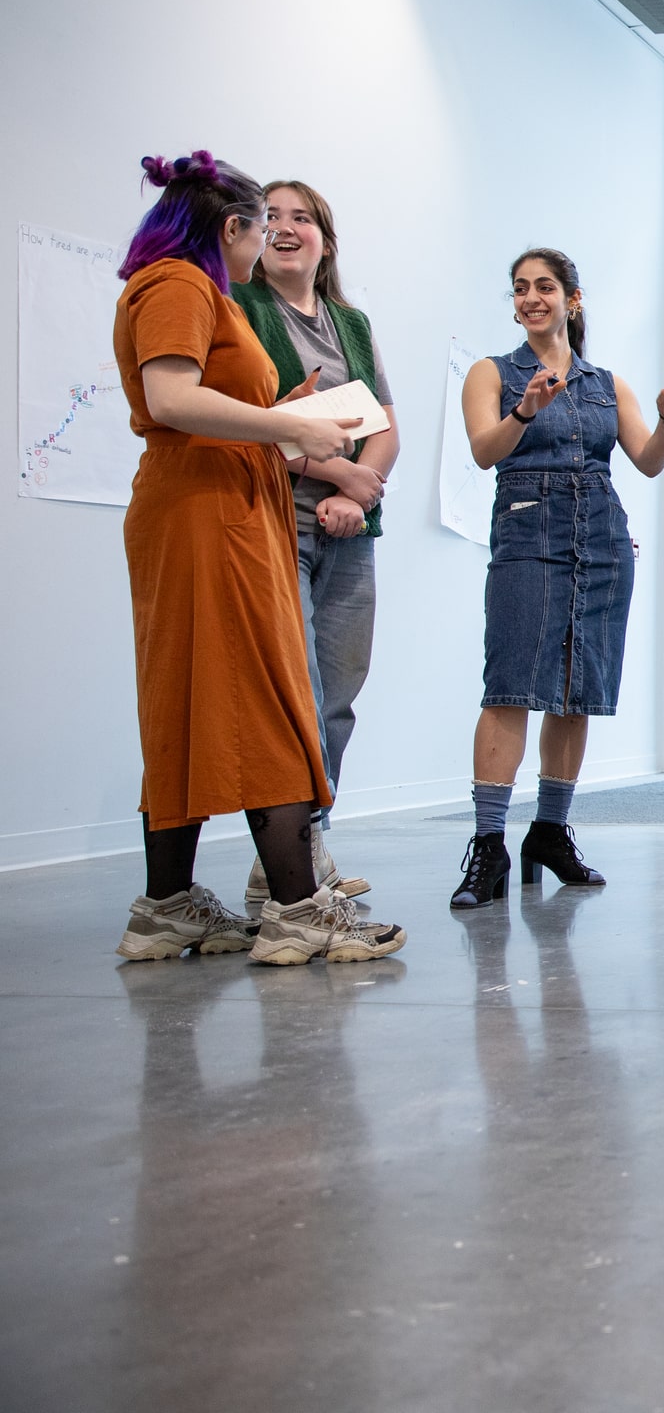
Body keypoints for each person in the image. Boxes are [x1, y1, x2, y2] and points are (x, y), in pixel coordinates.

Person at [109, 151, 405, 966]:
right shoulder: (181, 285)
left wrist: (281, 414)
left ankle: (166, 906)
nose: (265, 243)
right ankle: (299, 910)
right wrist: (290, 429)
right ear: (230, 229)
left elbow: (205, 401)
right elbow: (171, 397)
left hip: (212, 504)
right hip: (209, 515)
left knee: (189, 704)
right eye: (258, 229)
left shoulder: (187, 288)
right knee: (273, 699)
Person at [449, 248, 664, 908]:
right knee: (509, 687)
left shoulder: (605, 382)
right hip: (528, 535)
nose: (531, 298)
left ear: (572, 298)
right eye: (520, 289)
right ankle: (487, 846)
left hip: (603, 542)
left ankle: (551, 832)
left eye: (544, 287)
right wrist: (524, 410)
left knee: (575, 691)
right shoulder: (491, 372)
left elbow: (646, 461)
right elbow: (482, 452)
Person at [230, 180, 396, 908]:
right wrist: (339, 479)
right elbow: (254, 419)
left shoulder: (349, 324)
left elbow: (385, 423)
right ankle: (287, 861)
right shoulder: (243, 311)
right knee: (298, 693)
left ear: (325, 240)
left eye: (303, 218)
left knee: (339, 698)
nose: (287, 228)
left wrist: (357, 490)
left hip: (351, 530)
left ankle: (303, 850)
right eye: (273, 217)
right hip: (280, 525)